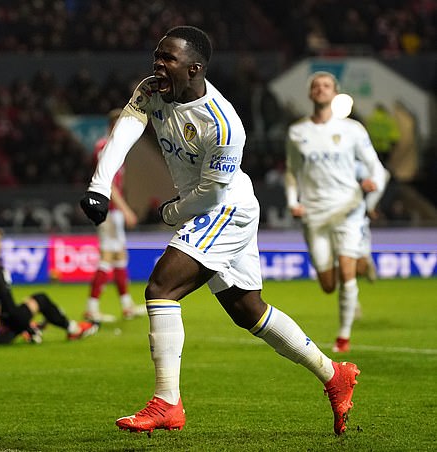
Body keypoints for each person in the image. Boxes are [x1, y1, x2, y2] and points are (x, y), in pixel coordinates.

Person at [80, 26, 359, 436]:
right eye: (157, 56)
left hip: (224, 207)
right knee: (249, 312)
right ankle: (333, 374)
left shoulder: (224, 124)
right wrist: (99, 186)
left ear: (194, 68)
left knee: (161, 287)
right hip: (211, 207)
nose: (158, 64)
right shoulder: (152, 89)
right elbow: (127, 126)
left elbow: (211, 196)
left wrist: (173, 211)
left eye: (168, 59)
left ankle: (167, 402)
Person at [285, 72, 387, 352]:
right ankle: (363, 262)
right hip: (315, 214)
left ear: (335, 93)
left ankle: (343, 337)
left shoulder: (353, 130)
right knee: (329, 284)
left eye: (326, 85)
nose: (320, 89)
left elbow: (375, 165)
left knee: (346, 269)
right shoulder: (297, 132)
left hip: (349, 208)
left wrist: (373, 184)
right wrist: (294, 201)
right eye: (315, 86)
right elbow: (292, 173)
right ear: (310, 94)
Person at [0, 224, 98, 345]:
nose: (0, 245)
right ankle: (74, 329)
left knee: (19, 309)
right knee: (40, 299)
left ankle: (32, 328)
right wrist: (24, 324)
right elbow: (10, 311)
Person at [84, 108, 146, 323]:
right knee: (108, 256)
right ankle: (91, 308)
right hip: (107, 210)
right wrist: (126, 209)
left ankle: (127, 305)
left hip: (114, 211)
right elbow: (107, 183)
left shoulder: (116, 148)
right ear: (114, 125)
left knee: (119, 256)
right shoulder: (103, 147)